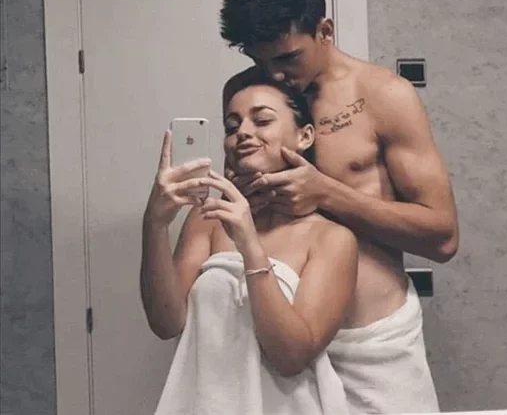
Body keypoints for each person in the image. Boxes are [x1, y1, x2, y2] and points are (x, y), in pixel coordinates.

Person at [219, 0, 459, 413]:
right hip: (278, 338)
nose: (273, 75)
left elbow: (443, 237)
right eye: (259, 59)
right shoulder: (247, 94)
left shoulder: (384, 96)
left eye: (288, 57)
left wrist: (326, 193)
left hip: (372, 343)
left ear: (325, 31)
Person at [141, 78, 358, 415]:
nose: (242, 132)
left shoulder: (332, 239)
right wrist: (154, 223)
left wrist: (249, 244)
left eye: (262, 120)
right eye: (232, 126)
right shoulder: (207, 218)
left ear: (304, 136)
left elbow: (290, 357)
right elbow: (166, 323)